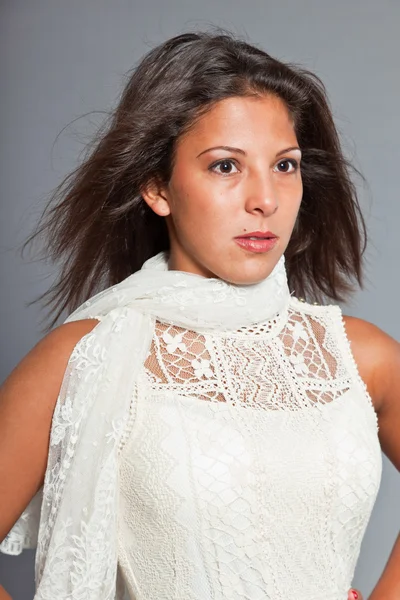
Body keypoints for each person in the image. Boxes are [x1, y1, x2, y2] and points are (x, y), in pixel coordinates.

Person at [0, 29, 399, 600]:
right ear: (158, 186)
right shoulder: (86, 356)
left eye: (284, 165)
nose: (264, 198)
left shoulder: (360, 357)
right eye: (224, 167)